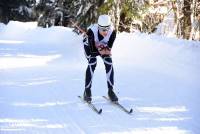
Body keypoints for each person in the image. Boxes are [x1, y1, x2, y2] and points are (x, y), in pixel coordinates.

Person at [82, 14, 118, 102]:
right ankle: (87, 90)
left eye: (107, 29)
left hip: (102, 45)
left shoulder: (113, 32)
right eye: (102, 29)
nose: (105, 32)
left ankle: (110, 90)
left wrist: (104, 49)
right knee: (92, 62)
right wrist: (99, 48)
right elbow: (93, 51)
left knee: (109, 62)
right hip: (89, 46)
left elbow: (108, 48)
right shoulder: (91, 32)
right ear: (98, 27)